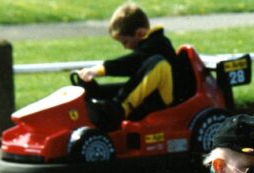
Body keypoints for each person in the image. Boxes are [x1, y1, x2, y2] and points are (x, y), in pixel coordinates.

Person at [75, 2, 193, 130]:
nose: (125, 47)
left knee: (158, 63)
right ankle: (94, 98)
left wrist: (99, 70)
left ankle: (119, 110)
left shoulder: (159, 44)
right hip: (153, 94)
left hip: (166, 99)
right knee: (114, 90)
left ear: (140, 33)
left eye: (125, 42)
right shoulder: (148, 47)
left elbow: (131, 63)